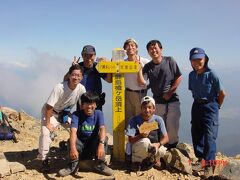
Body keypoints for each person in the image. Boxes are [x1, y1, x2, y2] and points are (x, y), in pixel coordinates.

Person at [37, 64, 86, 172]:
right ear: (69, 75)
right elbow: (49, 106)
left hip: (64, 114)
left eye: (78, 75)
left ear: (82, 77)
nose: (76, 77)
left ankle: (72, 149)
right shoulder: (59, 87)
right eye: (73, 75)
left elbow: (83, 104)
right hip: (51, 113)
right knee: (45, 133)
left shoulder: (81, 88)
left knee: (78, 130)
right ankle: (44, 159)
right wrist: (48, 123)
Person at [188, 47, 226, 178]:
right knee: (196, 132)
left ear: (205, 59)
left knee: (210, 136)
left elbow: (222, 93)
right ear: (190, 61)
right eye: (194, 59)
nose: (197, 61)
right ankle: (201, 160)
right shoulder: (191, 75)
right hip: (197, 105)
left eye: (200, 59)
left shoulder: (211, 74)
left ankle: (209, 165)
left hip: (210, 105)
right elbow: (192, 90)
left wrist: (216, 106)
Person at [138, 40, 182, 149]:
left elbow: (179, 77)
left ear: (161, 49)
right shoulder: (148, 66)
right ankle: (162, 148)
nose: (153, 50)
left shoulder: (169, 61)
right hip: (157, 101)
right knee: (159, 126)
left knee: (172, 125)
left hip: (172, 100)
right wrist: (139, 70)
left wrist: (170, 92)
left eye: (155, 48)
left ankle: (172, 149)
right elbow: (142, 82)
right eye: (150, 49)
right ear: (148, 52)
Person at [58, 92, 113, 177]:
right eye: (87, 103)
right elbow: (73, 131)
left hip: (93, 145)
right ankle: (72, 165)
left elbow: (102, 128)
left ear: (96, 105)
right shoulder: (76, 114)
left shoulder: (99, 113)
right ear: (82, 105)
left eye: (92, 103)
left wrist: (101, 145)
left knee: (104, 138)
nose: (89, 106)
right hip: (80, 146)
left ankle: (99, 164)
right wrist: (73, 148)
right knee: (71, 141)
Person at [126, 96, 169, 171]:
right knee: (145, 142)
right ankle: (136, 161)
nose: (147, 110)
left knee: (162, 150)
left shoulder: (158, 120)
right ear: (141, 108)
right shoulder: (134, 120)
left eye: (149, 107)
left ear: (154, 109)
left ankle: (153, 160)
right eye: (144, 107)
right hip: (139, 146)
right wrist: (141, 136)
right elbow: (130, 140)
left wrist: (158, 144)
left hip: (153, 146)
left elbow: (166, 138)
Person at [65, 45, 112, 110]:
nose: (88, 58)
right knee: (81, 119)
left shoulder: (97, 67)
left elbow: (109, 80)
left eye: (91, 55)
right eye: (86, 55)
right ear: (82, 56)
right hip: (82, 100)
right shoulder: (78, 67)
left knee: (97, 119)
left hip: (96, 101)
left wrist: (109, 68)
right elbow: (65, 79)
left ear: (95, 55)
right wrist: (73, 68)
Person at [123, 38, 149, 128]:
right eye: (128, 46)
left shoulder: (145, 61)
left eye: (132, 45)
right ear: (125, 49)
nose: (130, 47)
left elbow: (145, 82)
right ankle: (131, 140)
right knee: (128, 119)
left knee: (142, 118)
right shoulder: (123, 63)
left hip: (140, 93)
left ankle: (143, 140)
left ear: (136, 48)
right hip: (127, 93)